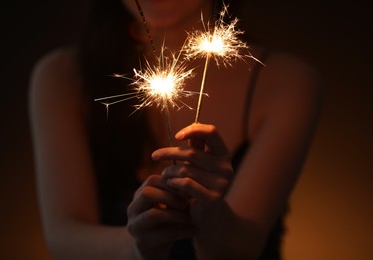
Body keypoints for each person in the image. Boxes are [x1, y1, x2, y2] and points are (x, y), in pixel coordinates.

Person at [29, 0, 321, 259]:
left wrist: (213, 218)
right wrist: (137, 247)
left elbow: (241, 249)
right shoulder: (63, 78)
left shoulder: (285, 82)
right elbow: (64, 239)